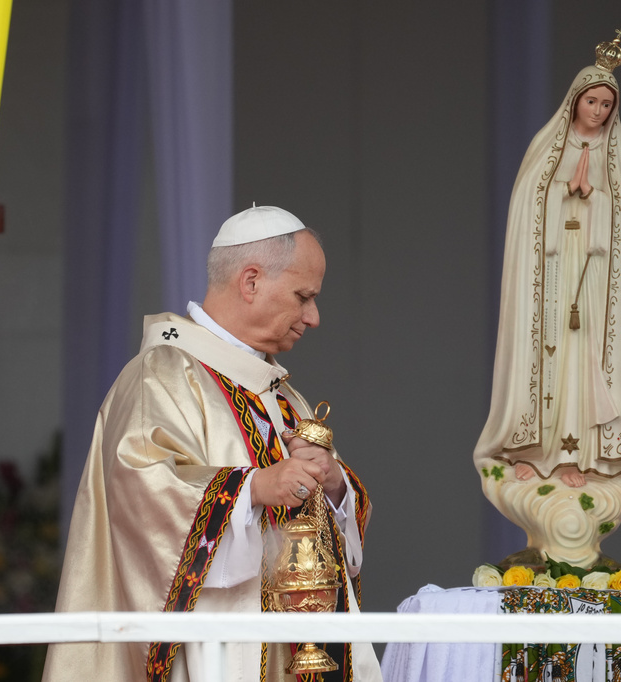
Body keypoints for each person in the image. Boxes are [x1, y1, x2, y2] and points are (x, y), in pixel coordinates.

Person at [42, 206, 382, 681]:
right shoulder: (161, 376)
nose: (314, 317)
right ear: (250, 282)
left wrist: (335, 483)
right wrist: (255, 488)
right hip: (216, 653)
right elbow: (140, 497)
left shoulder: (281, 395)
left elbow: (332, 523)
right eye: (303, 297)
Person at [473, 34, 621, 519]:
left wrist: (594, 197)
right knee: (544, 356)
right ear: (575, 100)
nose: (598, 110)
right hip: (552, 271)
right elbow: (527, 205)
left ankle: (576, 456)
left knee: (584, 360)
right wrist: (565, 191)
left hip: (595, 276)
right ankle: (532, 452)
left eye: (606, 104)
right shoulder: (549, 144)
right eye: (592, 100)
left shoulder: (613, 153)